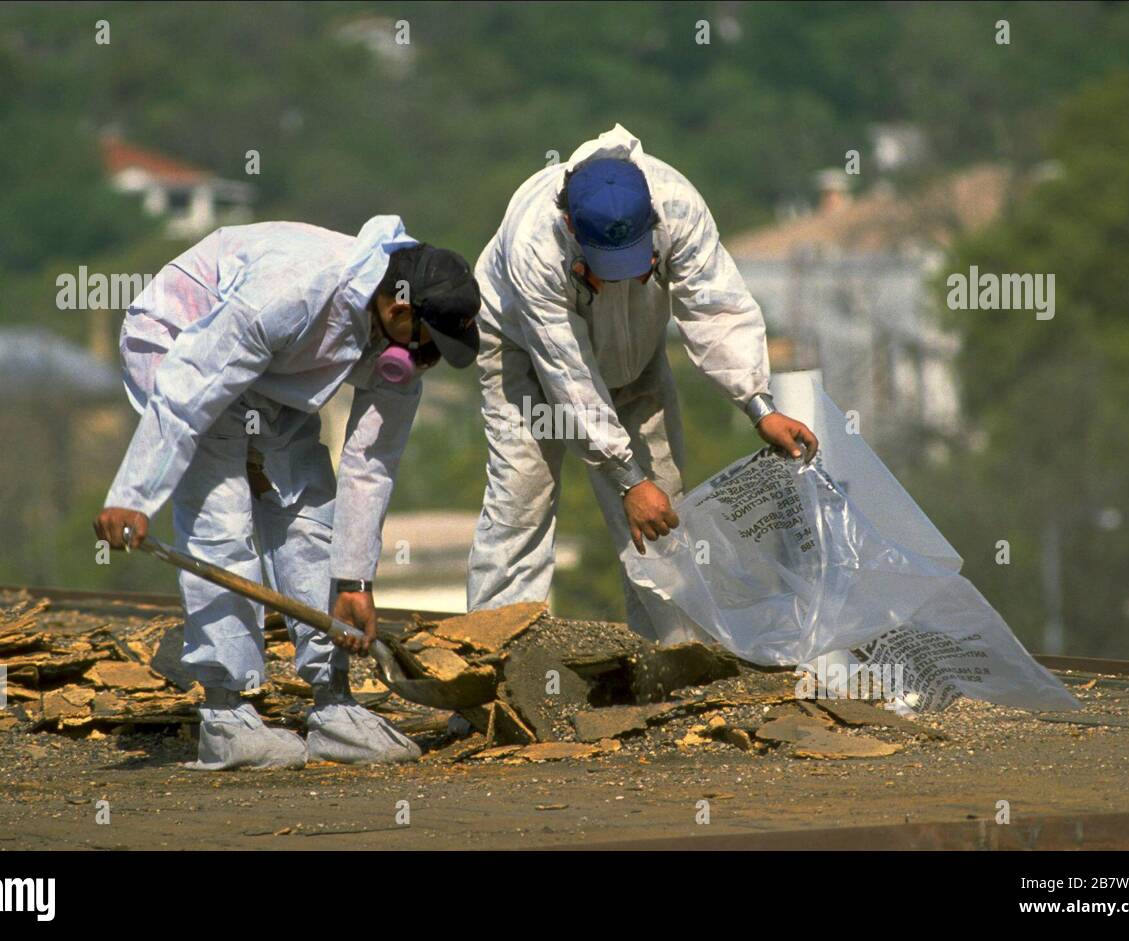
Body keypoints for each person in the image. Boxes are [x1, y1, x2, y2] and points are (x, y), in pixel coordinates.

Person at [93, 216, 481, 769]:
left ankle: (333, 706)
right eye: (429, 348)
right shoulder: (293, 294)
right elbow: (190, 389)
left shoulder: (395, 343)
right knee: (222, 523)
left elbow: (370, 463)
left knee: (308, 510)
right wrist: (134, 494)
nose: (428, 364)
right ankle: (226, 719)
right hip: (183, 344)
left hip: (274, 378)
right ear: (398, 311)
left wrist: (355, 580)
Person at [467, 125, 818, 643]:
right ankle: (499, 657)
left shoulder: (676, 205)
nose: (625, 279)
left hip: (636, 349)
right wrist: (626, 477)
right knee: (523, 494)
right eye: (608, 270)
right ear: (570, 226)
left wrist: (758, 405)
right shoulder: (535, 245)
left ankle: (672, 658)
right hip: (525, 348)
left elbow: (716, 307)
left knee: (661, 509)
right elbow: (570, 374)